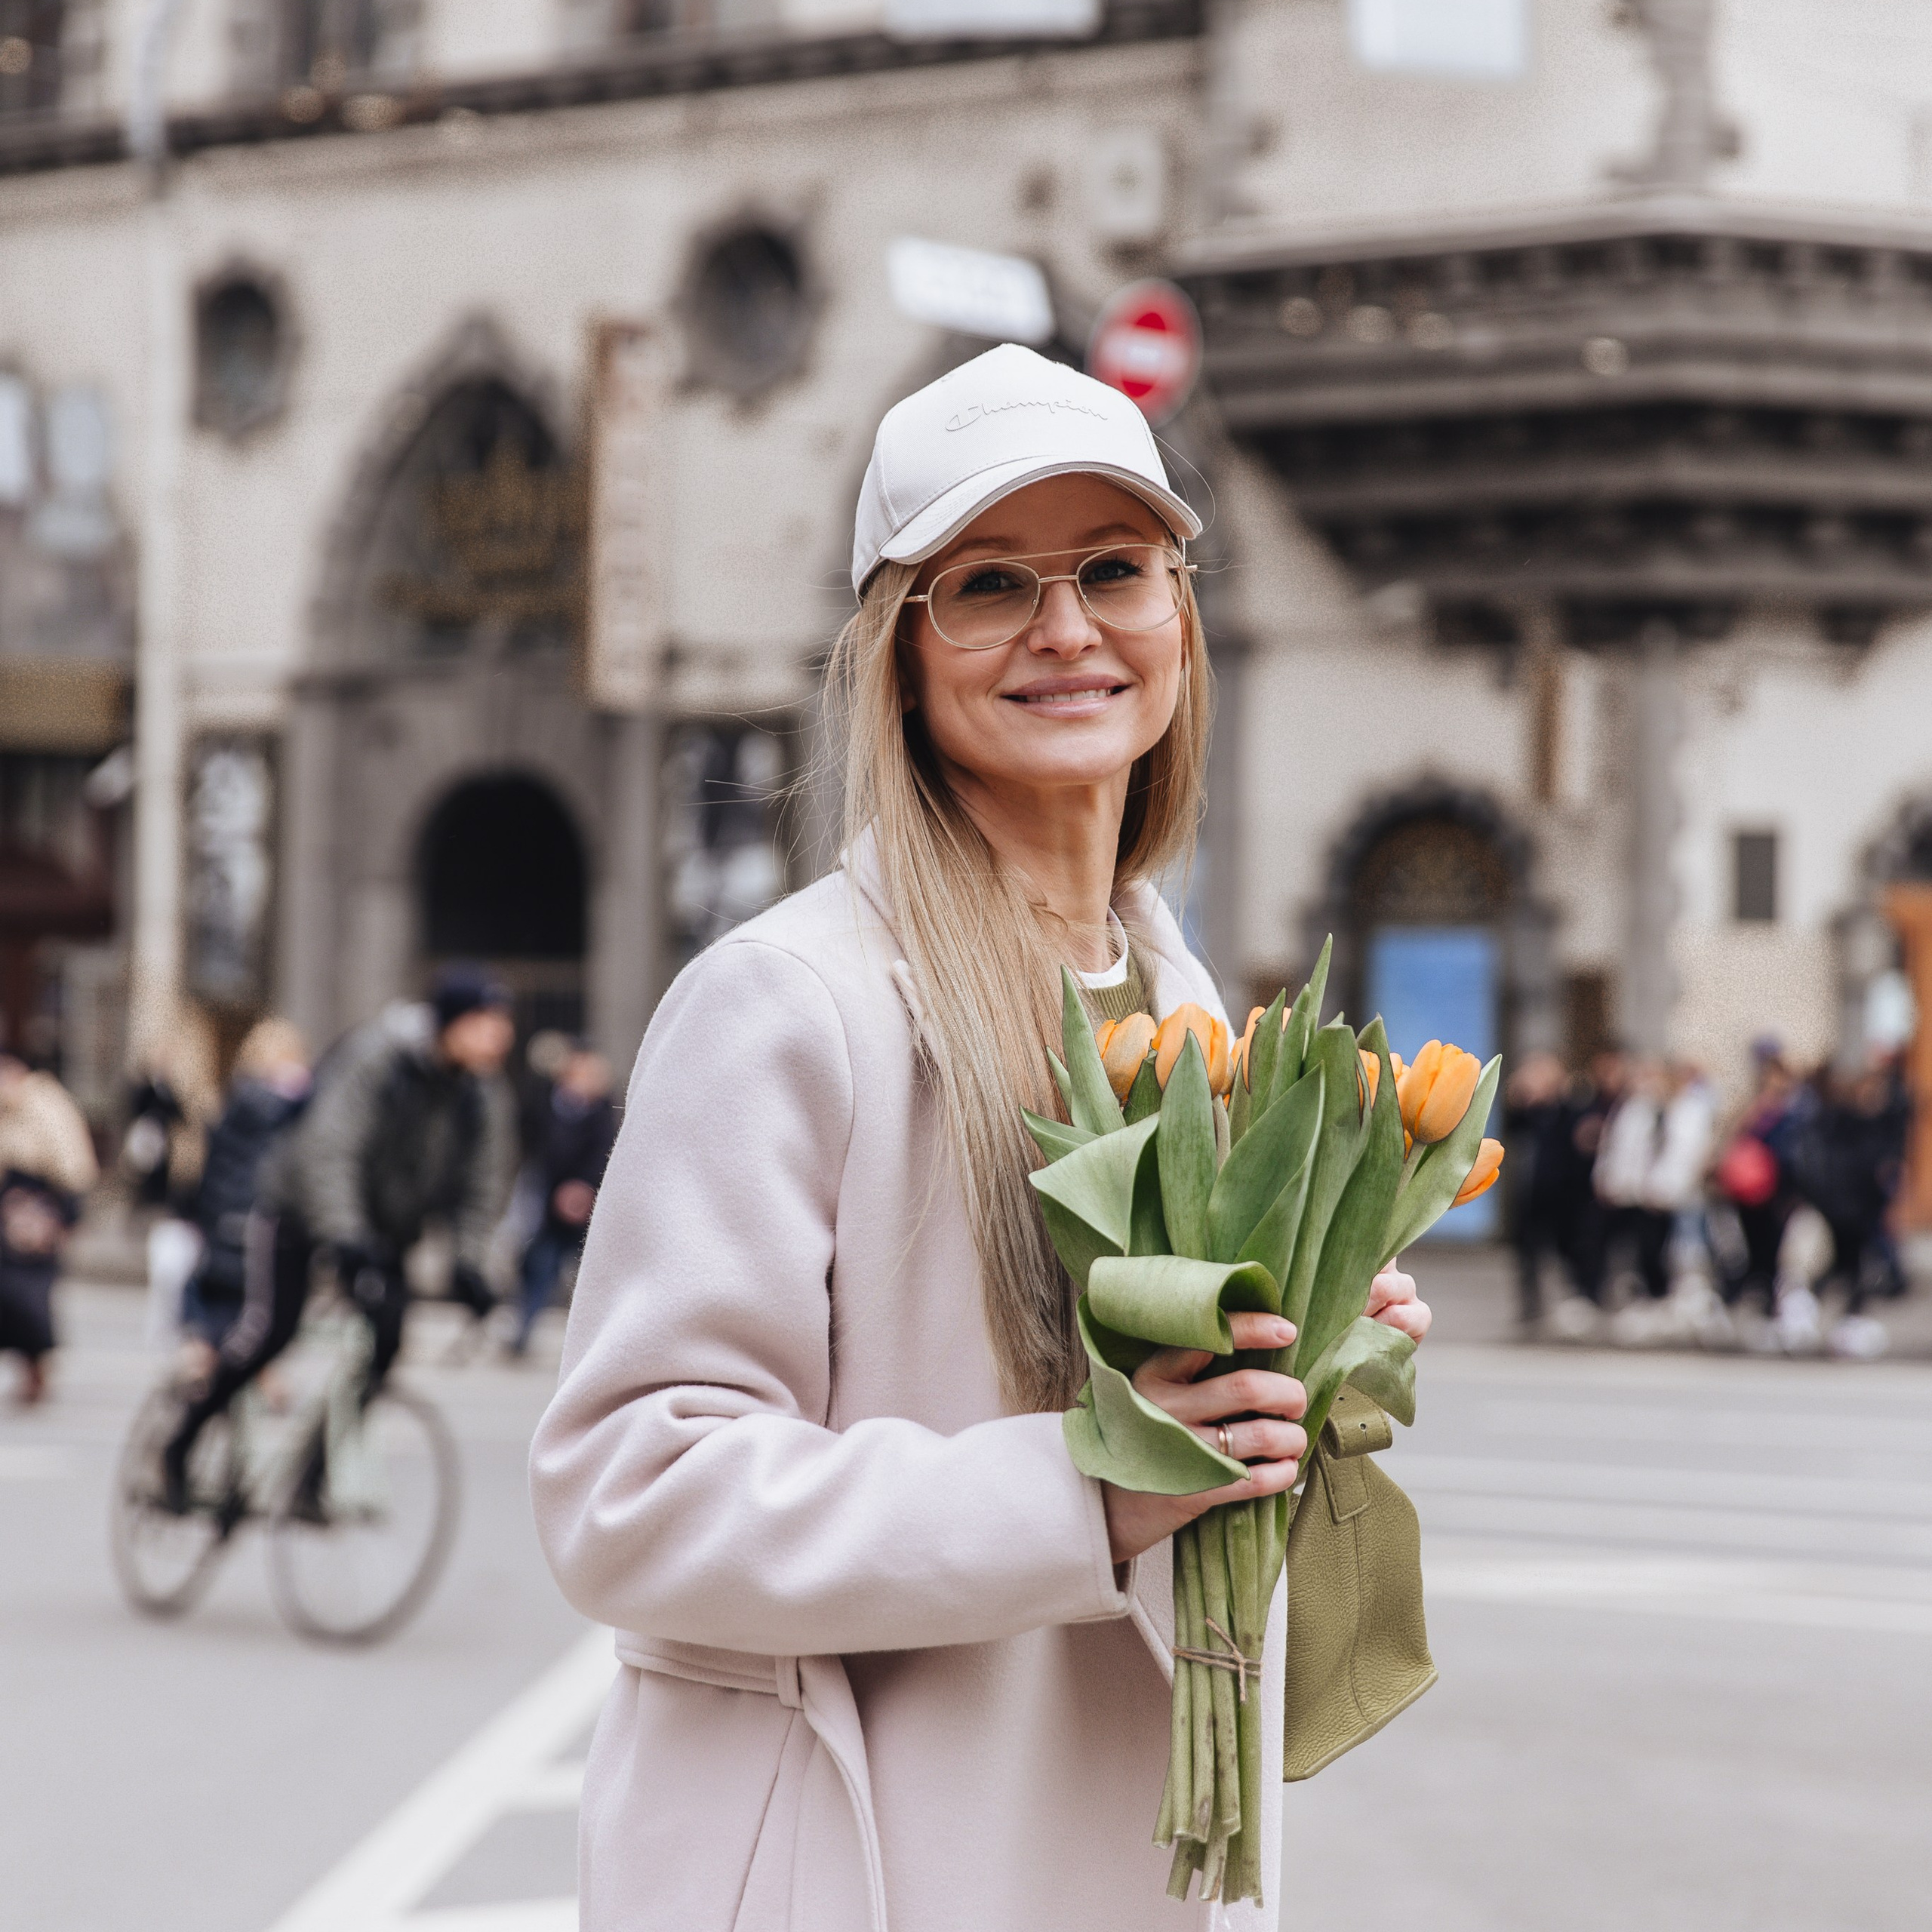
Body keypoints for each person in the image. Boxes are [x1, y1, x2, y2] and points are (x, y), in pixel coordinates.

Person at [529, 343, 1432, 1932]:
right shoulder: (790, 1001)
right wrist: (1089, 1487)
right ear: (898, 646)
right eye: (989, 582)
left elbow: (1180, 1462)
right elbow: (629, 1490)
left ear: (1178, 619)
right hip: (865, 1853)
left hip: (1135, 1847)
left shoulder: (1179, 994)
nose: (1066, 627)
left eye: (1112, 569)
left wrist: (1310, 1358)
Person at [162, 968, 516, 1510]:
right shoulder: (380, 1059)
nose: (500, 1037)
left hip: (386, 1227)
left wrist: (470, 1264)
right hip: (300, 1210)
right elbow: (330, 1149)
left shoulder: (481, 1094)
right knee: (270, 1333)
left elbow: (482, 1184)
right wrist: (345, 1239)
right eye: (486, 1023)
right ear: (451, 1024)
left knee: (387, 1341)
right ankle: (181, 1443)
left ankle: (311, 1479)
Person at [179, 1017, 312, 1357]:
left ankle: (205, 1360)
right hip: (259, 1218)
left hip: (223, 1216)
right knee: (257, 1315)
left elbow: (211, 1167)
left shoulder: (236, 1100)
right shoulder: (286, 1107)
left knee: (224, 1307)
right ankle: (226, 1372)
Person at [0, 1056, 99, 1404]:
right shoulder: (7, 1110)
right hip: (10, 1216)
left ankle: (37, 1370)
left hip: (40, 1213)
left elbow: (72, 1166)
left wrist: (67, 1219)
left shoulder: (46, 1104)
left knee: (29, 1299)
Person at [509, 1041, 616, 1358]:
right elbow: (533, 1141)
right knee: (539, 1267)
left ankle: (597, 1345)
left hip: (586, 1205)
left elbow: (603, 1154)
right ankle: (523, 1330)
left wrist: (582, 1187)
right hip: (548, 1204)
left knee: (589, 1277)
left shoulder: (601, 1112)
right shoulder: (549, 1102)